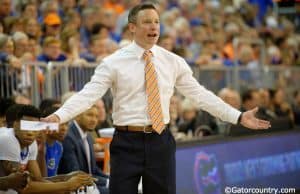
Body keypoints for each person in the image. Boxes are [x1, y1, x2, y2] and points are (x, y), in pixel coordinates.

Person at [43, 3, 271, 194]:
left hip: (161, 140)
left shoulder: (173, 61)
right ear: (132, 27)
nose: (154, 26)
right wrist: (59, 115)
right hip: (126, 142)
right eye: (147, 22)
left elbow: (200, 95)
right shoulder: (113, 62)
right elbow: (88, 94)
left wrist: (238, 116)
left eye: (157, 22)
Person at [0, 104, 94, 194]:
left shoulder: (31, 143)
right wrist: (68, 185)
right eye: (26, 127)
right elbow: (23, 188)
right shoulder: (8, 139)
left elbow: (38, 180)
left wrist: (66, 177)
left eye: (34, 128)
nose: (30, 133)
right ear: (15, 125)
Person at [57, 105, 109, 194]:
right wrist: (107, 183)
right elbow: (75, 172)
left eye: (96, 116)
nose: (94, 120)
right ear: (77, 115)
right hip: (75, 188)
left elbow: (93, 169)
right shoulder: (68, 136)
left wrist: (110, 180)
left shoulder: (88, 135)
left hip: (88, 184)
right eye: (90, 115)